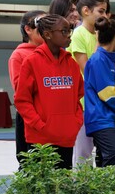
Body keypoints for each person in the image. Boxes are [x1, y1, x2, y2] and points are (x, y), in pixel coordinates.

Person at [13, 14, 84, 169]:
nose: (68, 35)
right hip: (40, 141)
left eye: (69, 30)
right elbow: (22, 100)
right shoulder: (31, 62)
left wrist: (75, 122)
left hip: (66, 137)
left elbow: (78, 96)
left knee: (63, 181)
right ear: (47, 34)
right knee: (41, 182)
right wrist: (40, 125)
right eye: (64, 31)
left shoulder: (71, 63)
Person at [68, 0, 107, 165]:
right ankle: (81, 182)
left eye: (105, 11)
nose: (105, 16)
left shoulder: (98, 35)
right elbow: (88, 70)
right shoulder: (78, 34)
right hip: (84, 101)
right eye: (101, 11)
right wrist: (99, 43)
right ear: (86, 11)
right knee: (83, 152)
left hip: (101, 99)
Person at [83, 17, 115, 167]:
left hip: (107, 117)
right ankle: (105, 182)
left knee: (108, 155)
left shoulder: (106, 59)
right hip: (100, 117)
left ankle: (103, 182)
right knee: (114, 152)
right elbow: (108, 94)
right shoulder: (99, 59)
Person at [8, 10, 46, 163]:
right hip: (30, 118)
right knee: (30, 163)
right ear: (28, 29)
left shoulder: (55, 54)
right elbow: (21, 92)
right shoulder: (19, 56)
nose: (46, 29)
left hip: (51, 117)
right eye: (41, 24)